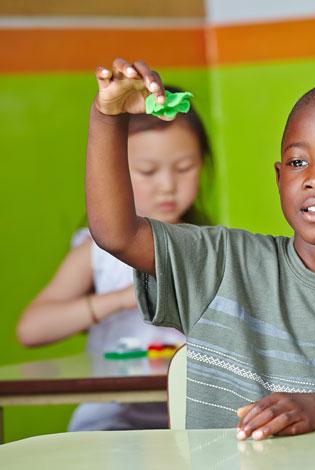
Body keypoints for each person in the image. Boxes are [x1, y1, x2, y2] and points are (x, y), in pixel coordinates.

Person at [85, 59, 315, 439]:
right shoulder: (224, 262)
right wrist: (107, 117)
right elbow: (117, 234)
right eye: (298, 162)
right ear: (280, 177)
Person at [16, 86, 211, 430]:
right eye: (148, 171)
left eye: (184, 167)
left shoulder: (208, 247)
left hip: (188, 417)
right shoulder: (96, 252)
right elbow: (31, 330)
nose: (167, 185)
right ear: (114, 171)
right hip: (110, 418)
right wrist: (121, 299)